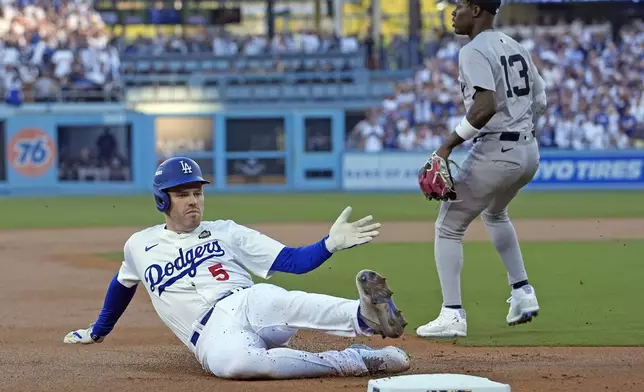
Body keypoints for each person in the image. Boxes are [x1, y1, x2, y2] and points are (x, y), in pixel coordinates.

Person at [63, 157, 410, 379]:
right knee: (238, 365)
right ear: (162, 200)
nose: (194, 200)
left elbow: (293, 261)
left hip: (244, 301)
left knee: (275, 300)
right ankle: (356, 361)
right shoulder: (139, 245)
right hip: (211, 337)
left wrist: (329, 243)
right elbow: (123, 284)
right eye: (183, 194)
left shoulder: (227, 230)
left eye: (198, 192)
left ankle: (364, 317)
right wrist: (98, 330)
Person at [415, 0, 547, 338]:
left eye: (458, 6)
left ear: (476, 11)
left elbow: (484, 106)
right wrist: (521, 130)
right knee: (495, 213)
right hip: (528, 151)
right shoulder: (514, 45)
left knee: (448, 225)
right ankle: (522, 292)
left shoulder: (473, 49)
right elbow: (540, 99)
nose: (452, 12)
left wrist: (446, 146)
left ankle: (452, 314)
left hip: (497, 149)